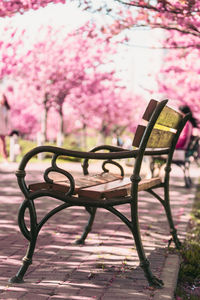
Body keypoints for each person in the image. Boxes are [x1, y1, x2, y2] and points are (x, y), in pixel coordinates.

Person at [0, 94, 11, 162]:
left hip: (3, 129)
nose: (2, 99)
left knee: (3, 144)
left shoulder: (6, 108)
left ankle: (5, 159)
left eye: (3, 98)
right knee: (2, 143)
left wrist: (7, 129)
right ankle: (5, 158)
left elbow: (8, 120)